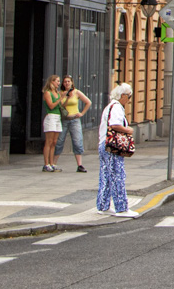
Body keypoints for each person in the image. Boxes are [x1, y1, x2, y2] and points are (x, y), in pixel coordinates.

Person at [97, 83, 138, 218]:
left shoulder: (109, 106)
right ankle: (121, 208)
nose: (129, 100)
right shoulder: (117, 108)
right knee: (117, 175)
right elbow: (115, 124)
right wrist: (128, 130)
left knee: (106, 176)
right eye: (129, 96)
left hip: (103, 144)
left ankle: (103, 206)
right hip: (112, 147)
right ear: (123, 96)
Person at [54, 75, 92, 173]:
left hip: (74, 119)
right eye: (65, 82)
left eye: (68, 81)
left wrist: (82, 113)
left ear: (72, 82)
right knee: (59, 141)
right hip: (64, 119)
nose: (67, 83)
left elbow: (88, 102)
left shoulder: (77, 92)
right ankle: (54, 163)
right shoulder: (60, 93)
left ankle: (79, 165)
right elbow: (61, 106)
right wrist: (66, 97)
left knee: (77, 140)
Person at [41, 75, 64, 173]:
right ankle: (46, 164)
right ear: (52, 82)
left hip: (57, 117)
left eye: (59, 81)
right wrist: (60, 99)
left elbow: (60, 106)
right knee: (49, 141)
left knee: (54, 142)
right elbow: (51, 106)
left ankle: (52, 163)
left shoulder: (57, 93)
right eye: (57, 81)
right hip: (50, 117)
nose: (58, 83)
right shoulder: (47, 93)